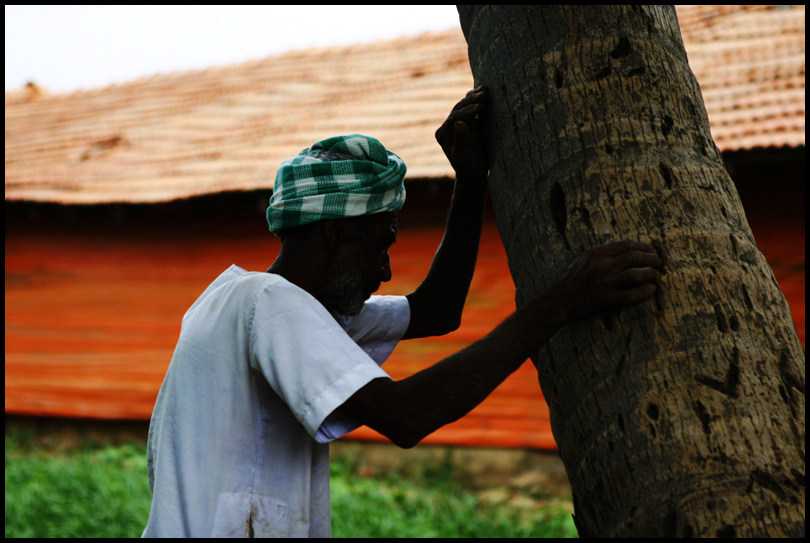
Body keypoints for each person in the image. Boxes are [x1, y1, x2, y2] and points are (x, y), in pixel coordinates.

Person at [142, 87, 662, 537]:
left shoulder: (258, 304)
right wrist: (559, 304)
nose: (386, 271)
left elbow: (436, 310)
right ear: (338, 232)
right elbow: (404, 415)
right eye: (382, 243)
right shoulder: (269, 304)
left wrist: (471, 177)